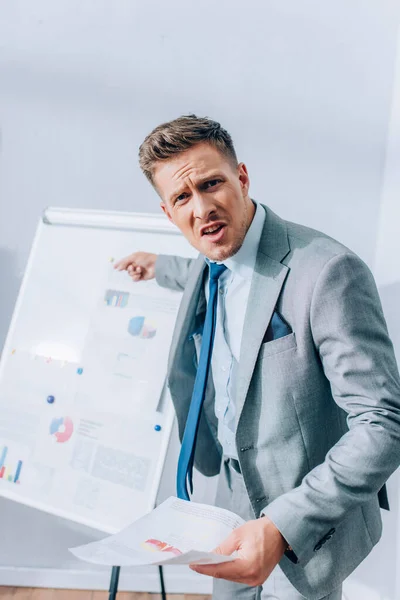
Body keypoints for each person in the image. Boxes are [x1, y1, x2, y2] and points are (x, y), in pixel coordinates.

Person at [115, 115, 400, 600]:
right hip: (229, 491)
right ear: (168, 213)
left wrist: (282, 525)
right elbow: (197, 273)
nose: (202, 208)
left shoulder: (329, 271)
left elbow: (384, 422)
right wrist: (156, 264)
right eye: (184, 198)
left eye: (212, 184)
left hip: (304, 514)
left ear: (242, 178)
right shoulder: (211, 263)